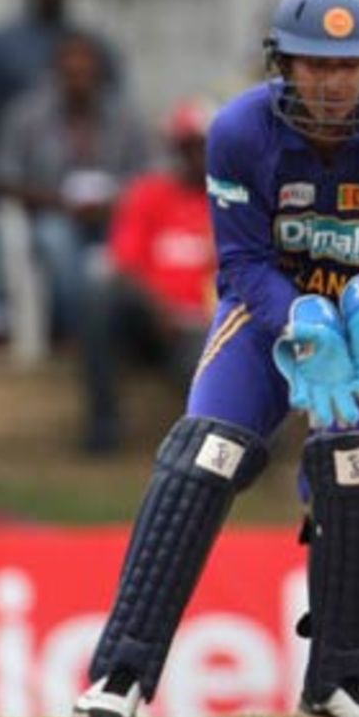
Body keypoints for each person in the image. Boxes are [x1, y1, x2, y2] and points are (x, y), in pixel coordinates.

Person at [71, 0, 359, 717]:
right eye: (315, 63)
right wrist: (300, 321)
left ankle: (339, 683)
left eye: (350, 65)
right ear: (282, 64)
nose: (333, 81)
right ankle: (121, 673)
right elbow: (240, 262)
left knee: (355, 467)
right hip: (267, 316)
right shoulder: (240, 131)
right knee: (203, 456)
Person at [78, 98, 219, 456]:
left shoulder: (233, 201)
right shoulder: (148, 193)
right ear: (176, 149)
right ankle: (103, 425)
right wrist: (158, 306)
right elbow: (123, 265)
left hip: (206, 328)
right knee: (98, 296)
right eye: (190, 147)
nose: (198, 156)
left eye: (206, 147)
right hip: (150, 322)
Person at [0, 31, 149, 342]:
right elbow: (5, 177)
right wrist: (59, 201)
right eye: (70, 74)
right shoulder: (27, 116)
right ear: (56, 74)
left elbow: (149, 174)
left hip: (113, 213)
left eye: (85, 73)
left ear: (99, 75)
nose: (78, 81)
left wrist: (113, 201)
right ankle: (78, 331)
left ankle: (125, 332)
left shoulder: (124, 118)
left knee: (131, 246)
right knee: (57, 242)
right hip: (51, 212)